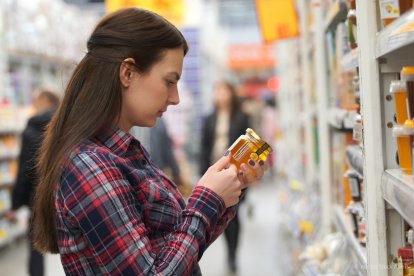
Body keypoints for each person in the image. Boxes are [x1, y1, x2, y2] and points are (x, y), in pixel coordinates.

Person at [31, 8, 267, 275]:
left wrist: (227, 191)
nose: (175, 97)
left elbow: (177, 248)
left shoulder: (124, 151)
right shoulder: (90, 165)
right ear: (128, 73)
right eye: (169, 81)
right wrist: (207, 199)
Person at [199, 80, 251, 273]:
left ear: (231, 94)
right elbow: (204, 147)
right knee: (220, 216)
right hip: (214, 172)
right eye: (217, 91)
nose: (220, 95)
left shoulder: (241, 117)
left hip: (236, 174)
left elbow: (248, 145)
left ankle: (232, 255)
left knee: (234, 217)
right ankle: (228, 252)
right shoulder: (209, 118)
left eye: (224, 91)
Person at [8, 87, 60, 276]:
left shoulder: (31, 128)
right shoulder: (64, 124)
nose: (34, 104)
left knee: (36, 247)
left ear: (46, 100)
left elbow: (25, 171)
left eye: (36, 100)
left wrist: (15, 204)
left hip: (37, 197)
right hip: (63, 192)